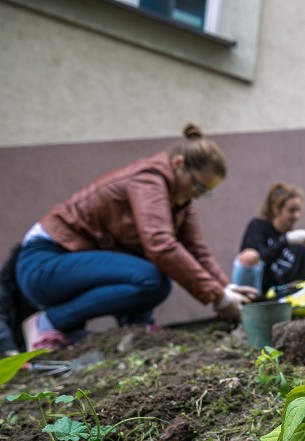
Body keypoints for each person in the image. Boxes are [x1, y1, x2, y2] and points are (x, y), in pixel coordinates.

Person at [15, 123, 257, 351]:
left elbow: (196, 249)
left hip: (71, 266)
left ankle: (136, 330)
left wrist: (226, 287)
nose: (197, 195)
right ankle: (47, 322)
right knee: (152, 278)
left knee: (149, 273)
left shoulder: (180, 200)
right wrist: (218, 297)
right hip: (44, 264)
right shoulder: (147, 179)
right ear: (179, 163)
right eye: (197, 186)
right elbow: (160, 246)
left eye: (204, 192)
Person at [231, 182, 305, 296]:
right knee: (249, 256)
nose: (296, 216)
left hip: (278, 300)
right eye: (291, 210)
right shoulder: (259, 227)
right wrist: (284, 242)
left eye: (298, 210)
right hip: (253, 293)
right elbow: (257, 260)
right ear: (276, 209)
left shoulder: (297, 245)